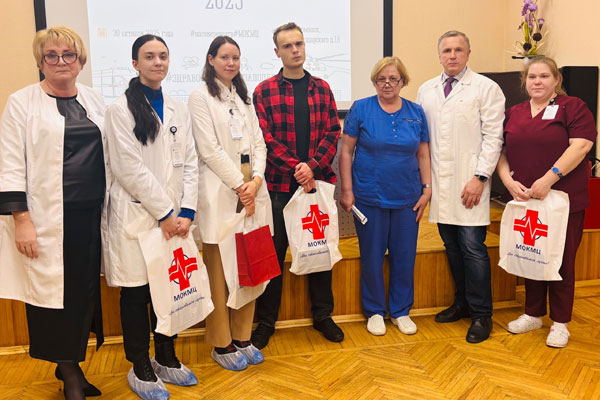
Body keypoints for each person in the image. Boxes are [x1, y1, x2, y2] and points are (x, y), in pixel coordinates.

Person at [0, 26, 109, 400]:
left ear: (81, 61)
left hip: (90, 216)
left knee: (82, 294)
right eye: (51, 55)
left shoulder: (94, 99)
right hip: (46, 220)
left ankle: (71, 364)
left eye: (69, 54)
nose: (61, 61)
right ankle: (69, 371)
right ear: (40, 61)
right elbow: (10, 162)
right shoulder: (22, 102)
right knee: (51, 297)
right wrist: (22, 220)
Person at [104, 35, 198, 399]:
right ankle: (140, 363)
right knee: (137, 293)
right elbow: (129, 169)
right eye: (149, 57)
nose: (157, 62)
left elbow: (190, 163)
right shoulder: (119, 110)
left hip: (174, 219)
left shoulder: (178, 108)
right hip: (138, 214)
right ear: (135, 64)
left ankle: (166, 356)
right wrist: (165, 213)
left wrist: (186, 211)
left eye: (163, 56)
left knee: (168, 289)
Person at [251, 22, 343, 349]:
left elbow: (333, 132)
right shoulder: (263, 91)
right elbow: (264, 138)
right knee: (273, 257)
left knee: (319, 251)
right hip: (278, 188)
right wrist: (296, 168)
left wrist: (312, 167)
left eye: (299, 44)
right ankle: (266, 322)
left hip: (314, 186)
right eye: (288, 46)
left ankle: (323, 315)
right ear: (277, 52)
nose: (295, 50)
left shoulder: (322, 88)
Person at [498, 56, 596, 348]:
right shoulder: (514, 112)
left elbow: (582, 145)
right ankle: (533, 313)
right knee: (530, 254)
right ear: (524, 81)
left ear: (556, 80)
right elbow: (500, 151)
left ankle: (560, 322)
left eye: (544, 76)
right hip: (525, 199)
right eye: (532, 77)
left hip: (561, 200)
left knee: (560, 259)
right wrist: (507, 181)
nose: (537, 82)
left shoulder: (573, 107)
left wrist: (549, 179)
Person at [416, 30, 505, 343]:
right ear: (439, 55)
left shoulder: (486, 88)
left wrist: (480, 177)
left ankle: (481, 314)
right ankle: (462, 303)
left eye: (458, 50)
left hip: (471, 183)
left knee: (472, 248)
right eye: (446, 50)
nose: (452, 55)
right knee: (451, 246)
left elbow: (494, 137)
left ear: (468, 53)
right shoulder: (426, 90)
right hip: (440, 185)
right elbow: (423, 140)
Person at [188, 36, 271, 370]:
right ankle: (221, 343)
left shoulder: (243, 97)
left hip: (251, 191)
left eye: (235, 57)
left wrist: (256, 181)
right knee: (219, 273)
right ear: (211, 60)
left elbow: (259, 144)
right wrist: (240, 185)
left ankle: (242, 336)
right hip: (221, 193)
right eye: (224, 57)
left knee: (251, 266)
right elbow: (209, 149)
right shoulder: (200, 97)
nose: (231, 63)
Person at [339, 57, 431, 336]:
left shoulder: (416, 112)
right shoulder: (361, 108)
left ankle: (401, 311)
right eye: (381, 79)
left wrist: (427, 189)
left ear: (403, 81)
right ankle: (375, 311)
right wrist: (347, 190)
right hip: (369, 197)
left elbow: (423, 153)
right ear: (374, 82)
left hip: (407, 198)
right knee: (372, 256)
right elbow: (346, 151)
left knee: (405, 256)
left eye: (393, 79)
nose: (387, 84)